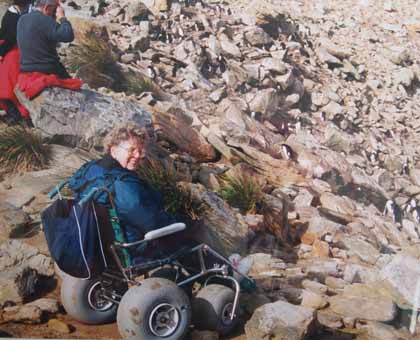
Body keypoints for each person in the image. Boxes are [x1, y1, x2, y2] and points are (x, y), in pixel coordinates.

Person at [67, 123, 176, 254]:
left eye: (140, 151)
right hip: (132, 247)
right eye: (131, 150)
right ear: (113, 150)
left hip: (98, 241)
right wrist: (175, 220)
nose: (137, 156)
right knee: (190, 232)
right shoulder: (122, 183)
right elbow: (148, 221)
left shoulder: (91, 167)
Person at [17, 0, 74, 79]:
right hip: (46, 68)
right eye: (53, 11)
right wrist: (62, 17)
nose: (54, 15)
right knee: (72, 83)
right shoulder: (45, 19)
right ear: (47, 7)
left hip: (25, 68)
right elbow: (68, 35)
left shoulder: (22, 19)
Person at [0, 0, 32, 124]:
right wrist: (1, 52)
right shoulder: (14, 15)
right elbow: (10, 37)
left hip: (14, 52)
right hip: (11, 52)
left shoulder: (13, 13)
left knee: (9, 84)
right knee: (10, 84)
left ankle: (15, 113)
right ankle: (17, 113)